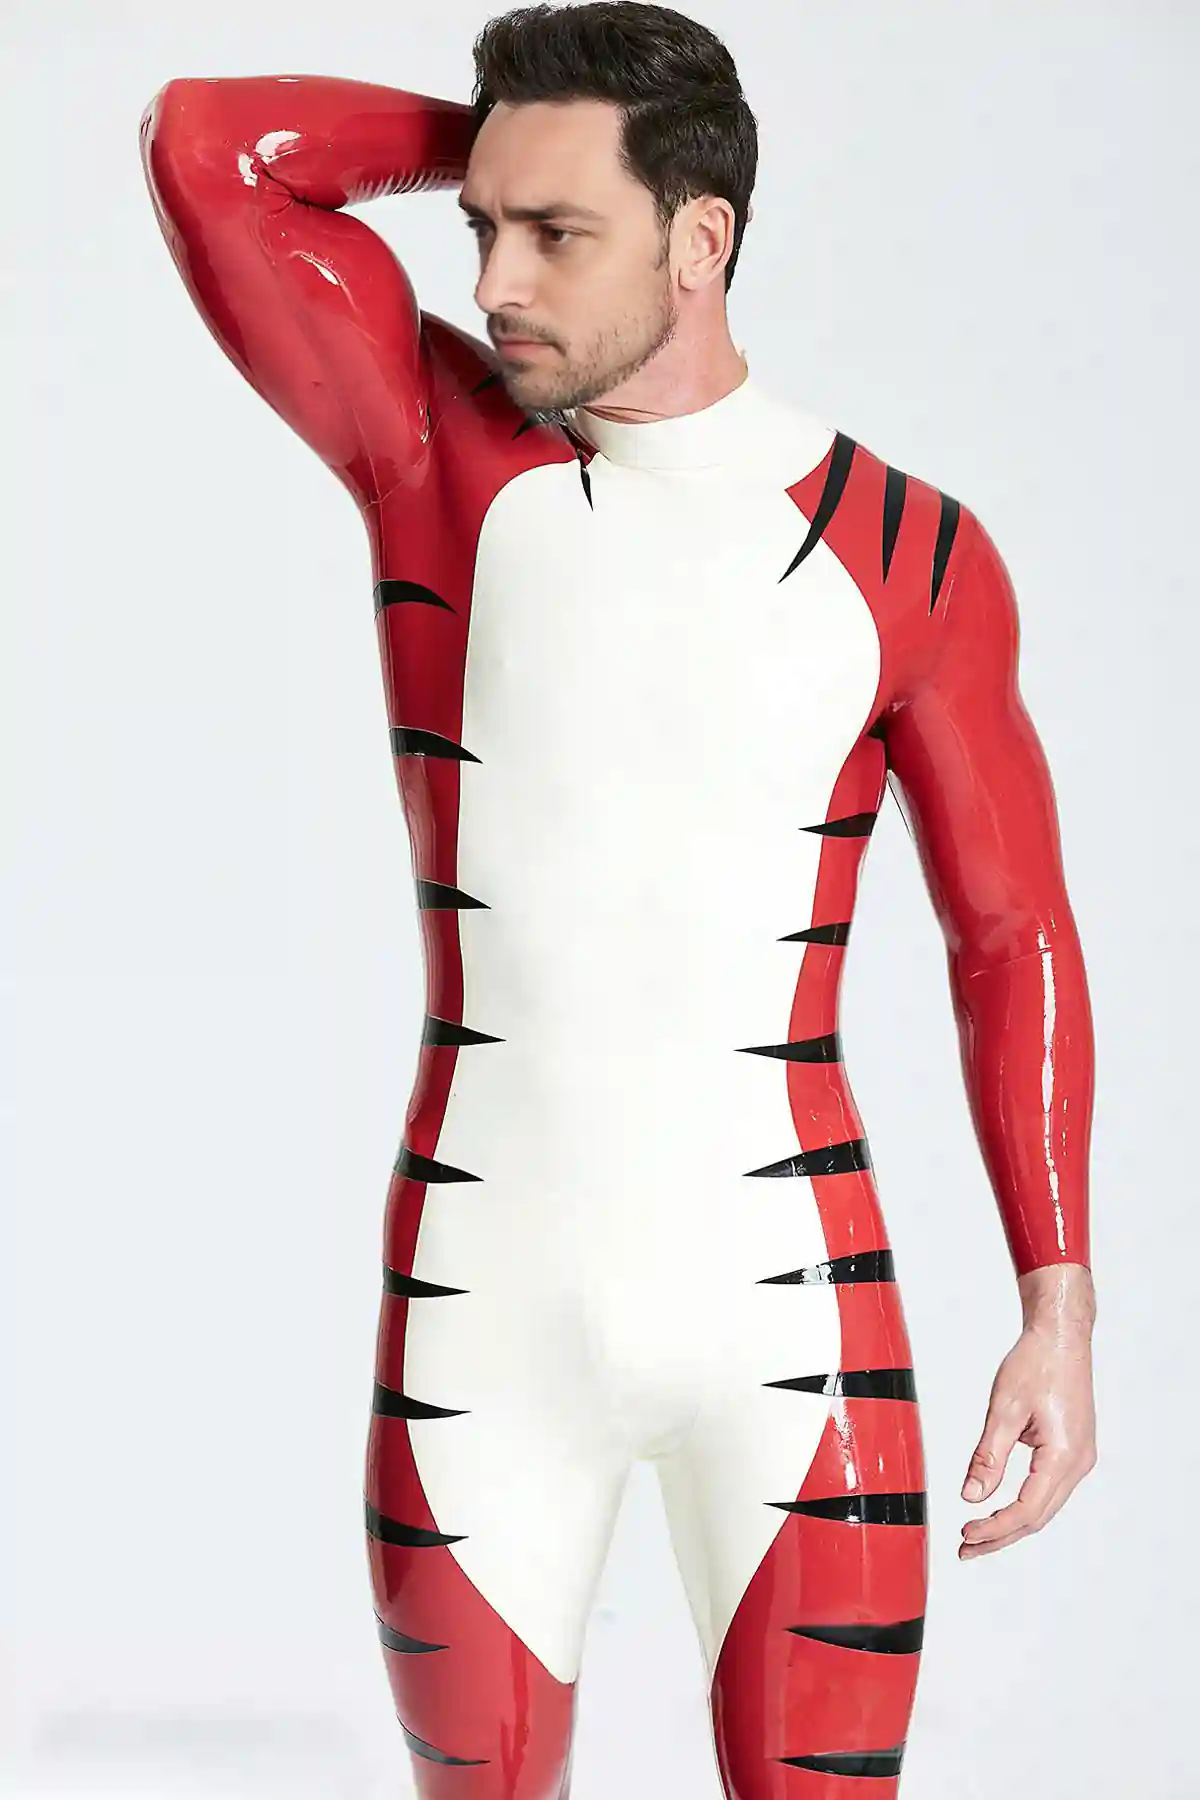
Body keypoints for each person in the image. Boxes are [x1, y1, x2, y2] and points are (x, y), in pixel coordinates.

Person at [139, 4, 1097, 1793]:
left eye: (558, 232)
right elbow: (204, 145)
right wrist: (511, 138)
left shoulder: (913, 554)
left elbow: (1010, 936)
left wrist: (1059, 1303)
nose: (495, 283)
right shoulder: (441, 460)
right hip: (481, 1317)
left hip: (793, 1316)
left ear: (701, 235)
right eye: (480, 228)